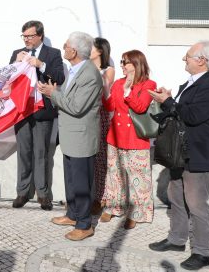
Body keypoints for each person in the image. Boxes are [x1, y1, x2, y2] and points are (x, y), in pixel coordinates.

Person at [148, 41, 209, 271]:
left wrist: (169, 102)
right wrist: (169, 100)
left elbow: (193, 115)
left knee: (196, 203)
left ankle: (202, 252)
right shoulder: (191, 83)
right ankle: (177, 239)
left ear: (202, 60)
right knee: (177, 196)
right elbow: (180, 112)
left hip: (198, 153)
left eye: (188, 56)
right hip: (180, 152)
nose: (184, 59)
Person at [38, 31, 102, 241]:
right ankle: (73, 214)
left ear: (73, 50)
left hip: (82, 137)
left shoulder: (90, 74)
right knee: (71, 179)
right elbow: (67, 98)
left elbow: (76, 107)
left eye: (66, 45)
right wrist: (55, 92)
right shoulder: (75, 70)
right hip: (70, 135)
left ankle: (85, 224)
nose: (63, 47)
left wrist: (52, 94)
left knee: (82, 183)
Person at [9, 20, 65, 211]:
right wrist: (15, 63)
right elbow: (8, 79)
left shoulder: (53, 54)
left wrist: (41, 65)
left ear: (40, 35)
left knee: (41, 153)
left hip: (43, 111)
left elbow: (60, 77)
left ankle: (43, 194)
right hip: (23, 111)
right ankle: (22, 192)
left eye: (30, 36)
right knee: (23, 153)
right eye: (24, 36)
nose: (26, 39)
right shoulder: (17, 53)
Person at [99, 50, 156, 229]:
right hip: (115, 136)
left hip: (135, 139)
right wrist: (105, 89)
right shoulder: (118, 83)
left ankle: (138, 213)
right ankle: (113, 207)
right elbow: (110, 106)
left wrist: (127, 91)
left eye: (125, 62)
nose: (122, 65)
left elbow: (140, 107)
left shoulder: (149, 84)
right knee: (114, 175)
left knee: (138, 178)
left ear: (136, 64)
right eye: (122, 62)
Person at [89, 37, 115, 215]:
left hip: (102, 115)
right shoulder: (86, 67)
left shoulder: (108, 70)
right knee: (92, 158)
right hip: (88, 115)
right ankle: (93, 196)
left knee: (102, 158)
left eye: (91, 48)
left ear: (99, 51)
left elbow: (104, 87)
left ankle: (103, 197)